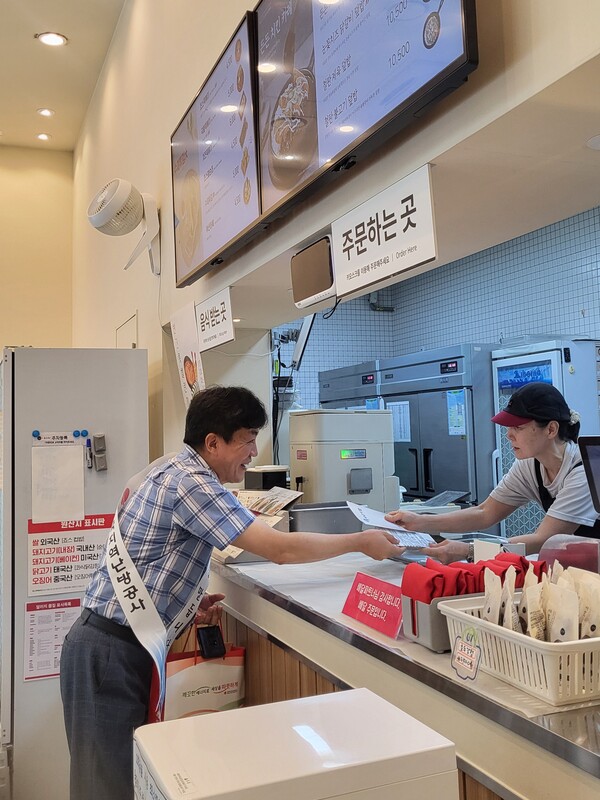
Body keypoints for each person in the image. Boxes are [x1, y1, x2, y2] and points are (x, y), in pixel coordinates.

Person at [60, 385, 403, 800]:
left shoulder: (172, 469)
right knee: (106, 788)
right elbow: (280, 549)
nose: (255, 451)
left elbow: (155, 556)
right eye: (247, 440)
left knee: (123, 781)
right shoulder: (193, 483)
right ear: (213, 443)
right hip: (110, 654)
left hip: (111, 646)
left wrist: (184, 606)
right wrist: (359, 540)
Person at [385, 382, 600, 564]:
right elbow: (485, 512)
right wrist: (420, 521)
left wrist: (469, 551)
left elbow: (543, 539)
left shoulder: (583, 472)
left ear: (551, 430)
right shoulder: (530, 465)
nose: (509, 435)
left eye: (518, 427)